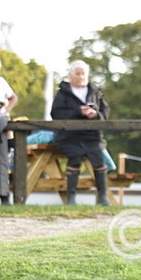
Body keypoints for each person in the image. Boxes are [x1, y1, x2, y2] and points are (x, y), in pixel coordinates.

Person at [49, 60, 111, 206]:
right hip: (69, 136)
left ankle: (102, 197)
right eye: (77, 74)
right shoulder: (62, 93)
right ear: (70, 75)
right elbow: (56, 114)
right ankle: (71, 198)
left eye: (83, 74)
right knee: (75, 157)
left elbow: (105, 112)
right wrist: (77, 111)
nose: (81, 77)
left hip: (92, 135)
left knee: (98, 158)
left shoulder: (95, 91)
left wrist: (95, 114)